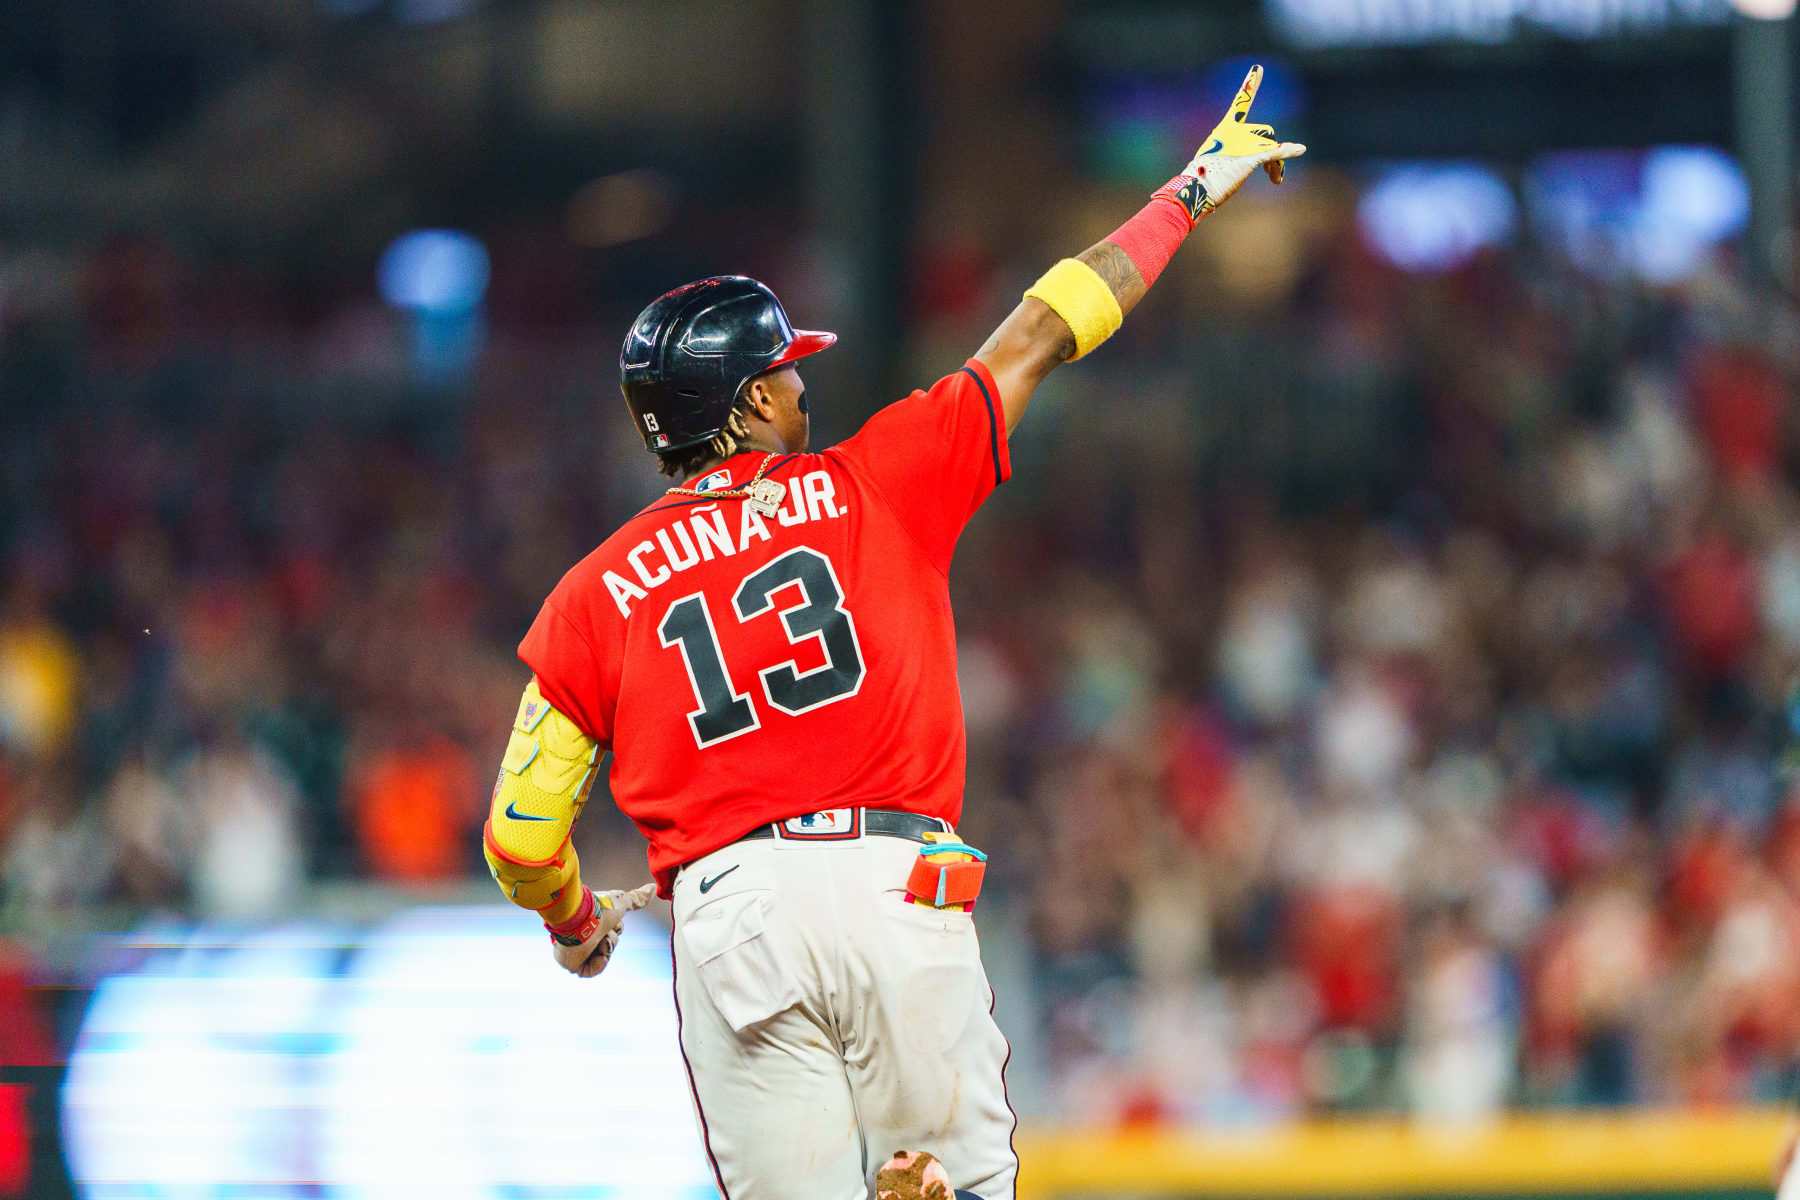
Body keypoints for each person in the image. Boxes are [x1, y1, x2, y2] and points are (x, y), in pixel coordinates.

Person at [479, 65, 1302, 1200]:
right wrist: (1188, 194)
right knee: (960, 1186)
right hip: (892, 890)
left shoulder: (593, 593)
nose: (798, 390)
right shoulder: (879, 481)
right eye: (785, 375)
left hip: (731, 921)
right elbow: (1038, 333)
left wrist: (576, 922)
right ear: (750, 403)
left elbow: (521, 840)